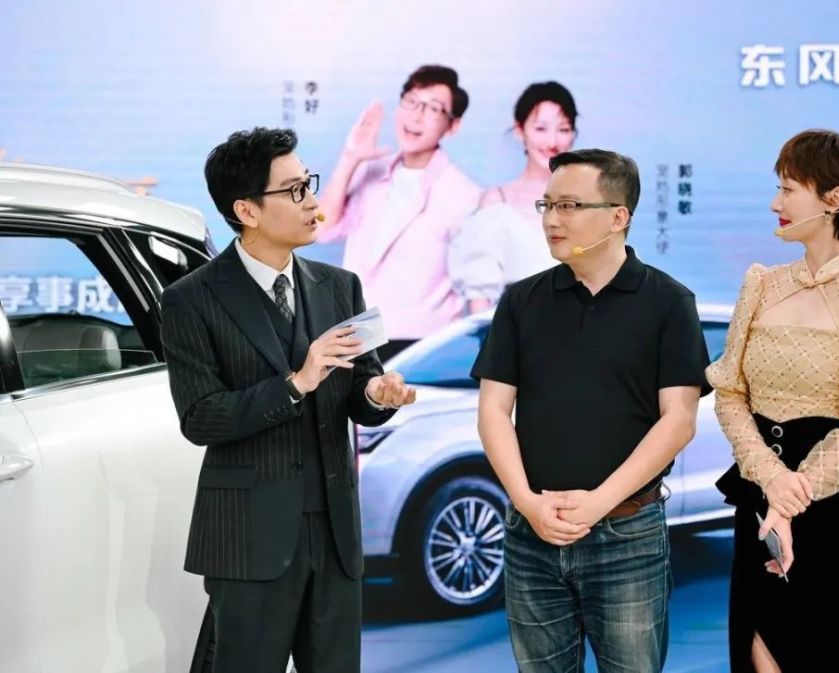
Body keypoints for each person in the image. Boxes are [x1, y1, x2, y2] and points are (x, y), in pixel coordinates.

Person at [160, 127, 416, 673]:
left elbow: (363, 386)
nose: (312, 202)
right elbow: (200, 417)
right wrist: (296, 383)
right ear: (246, 210)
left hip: (335, 531)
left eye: (308, 184)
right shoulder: (191, 299)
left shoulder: (340, 286)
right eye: (294, 190)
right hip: (247, 537)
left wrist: (379, 394)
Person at [473, 149, 710, 672]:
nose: (551, 220)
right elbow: (493, 411)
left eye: (570, 205)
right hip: (531, 532)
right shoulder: (521, 301)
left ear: (618, 216)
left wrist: (599, 502)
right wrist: (528, 504)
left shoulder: (669, 301)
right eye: (547, 205)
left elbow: (678, 420)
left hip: (627, 534)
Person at [707, 129, 839, 672]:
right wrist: (770, 481)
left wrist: (788, 501)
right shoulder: (761, 284)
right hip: (759, 504)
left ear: (833, 199)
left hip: (838, 517)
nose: (775, 203)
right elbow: (730, 394)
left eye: (788, 189)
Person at [315, 64, 481, 360]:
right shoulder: (370, 170)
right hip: (359, 335)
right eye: (411, 101)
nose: (416, 116)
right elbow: (321, 228)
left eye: (433, 108)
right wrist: (350, 157)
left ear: (452, 125)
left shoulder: (465, 194)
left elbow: (477, 283)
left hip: (422, 343)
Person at [448, 81, 578, 312]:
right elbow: (479, 295)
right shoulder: (497, 201)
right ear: (520, 131)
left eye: (563, 129)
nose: (552, 142)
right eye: (540, 129)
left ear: (573, 134)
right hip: (522, 328)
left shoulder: (590, 200)